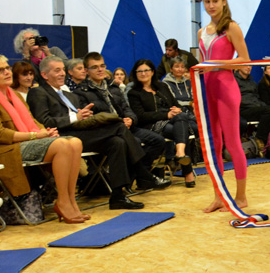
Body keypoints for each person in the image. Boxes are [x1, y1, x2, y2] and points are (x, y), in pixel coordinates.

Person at [27, 56, 170, 210]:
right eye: (57, 70)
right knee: (119, 127)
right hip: (62, 137)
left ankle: (117, 196)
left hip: (82, 132)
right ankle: (143, 173)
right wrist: (76, 117)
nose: (62, 73)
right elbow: (44, 121)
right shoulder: (38, 93)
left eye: (62, 69)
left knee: (117, 142)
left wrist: (84, 116)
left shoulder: (69, 95)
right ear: (44, 74)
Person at [0, 53, 87, 223]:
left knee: (75, 143)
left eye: (7, 68)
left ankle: (70, 201)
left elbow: (33, 121)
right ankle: (62, 201)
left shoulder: (14, 95)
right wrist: (35, 135)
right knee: (62, 145)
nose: (7, 72)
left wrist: (46, 132)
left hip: (25, 142)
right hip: (4, 149)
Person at [197, 0, 251, 213]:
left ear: (224, 2)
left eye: (215, 1)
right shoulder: (201, 31)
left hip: (226, 89)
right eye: (207, 1)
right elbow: (201, 64)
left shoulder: (231, 27)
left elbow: (245, 59)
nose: (211, 6)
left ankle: (241, 197)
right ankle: (219, 195)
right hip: (206, 91)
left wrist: (217, 65)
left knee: (232, 143)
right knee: (214, 145)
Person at [75, 52, 166, 179]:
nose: (100, 69)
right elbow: (91, 118)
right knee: (135, 142)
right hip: (108, 131)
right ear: (86, 70)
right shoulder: (81, 92)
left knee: (158, 141)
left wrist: (130, 119)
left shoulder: (113, 87)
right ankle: (143, 177)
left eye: (102, 65)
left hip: (127, 127)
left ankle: (137, 176)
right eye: (95, 67)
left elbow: (126, 108)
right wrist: (117, 122)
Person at [126, 59, 196, 188]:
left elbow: (174, 103)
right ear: (135, 74)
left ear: (152, 72)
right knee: (181, 130)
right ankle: (188, 171)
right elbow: (141, 116)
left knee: (180, 118)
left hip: (172, 120)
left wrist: (177, 109)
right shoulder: (134, 93)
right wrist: (166, 115)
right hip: (151, 124)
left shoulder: (162, 87)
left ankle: (180, 153)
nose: (143, 73)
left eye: (146, 70)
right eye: (139, 71)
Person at [234, 65, 270, 146]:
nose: (248, 67)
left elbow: (257, 97)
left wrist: (262, 105)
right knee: (269, 110)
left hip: (254, 108)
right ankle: (260, 139)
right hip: (241, 109)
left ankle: (267, 141)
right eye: (246, 65)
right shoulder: (233, 81)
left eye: (250, 66)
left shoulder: (252, 83)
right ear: (238, 67)